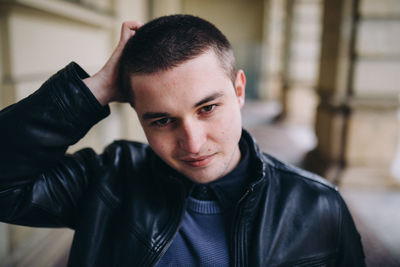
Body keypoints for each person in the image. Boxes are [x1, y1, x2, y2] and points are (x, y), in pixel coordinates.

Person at [0, 14, 365, 266]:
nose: (191, 144)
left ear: (239, 90)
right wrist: (95, 89)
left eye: (207, 108)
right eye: (162, 120)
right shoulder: (109, 179)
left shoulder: (319, 205)